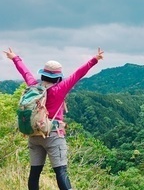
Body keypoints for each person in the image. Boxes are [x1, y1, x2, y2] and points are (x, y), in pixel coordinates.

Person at [3, 47, 104, 190]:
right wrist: (94, 60)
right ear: (58, 77)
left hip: (34, 134)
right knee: (61, 171)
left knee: (35, 173)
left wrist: (14, 57)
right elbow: (78, 74)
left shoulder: (34, 86)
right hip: (53, 135)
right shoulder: (59, 89)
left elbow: (25, 72)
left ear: (43, 75)